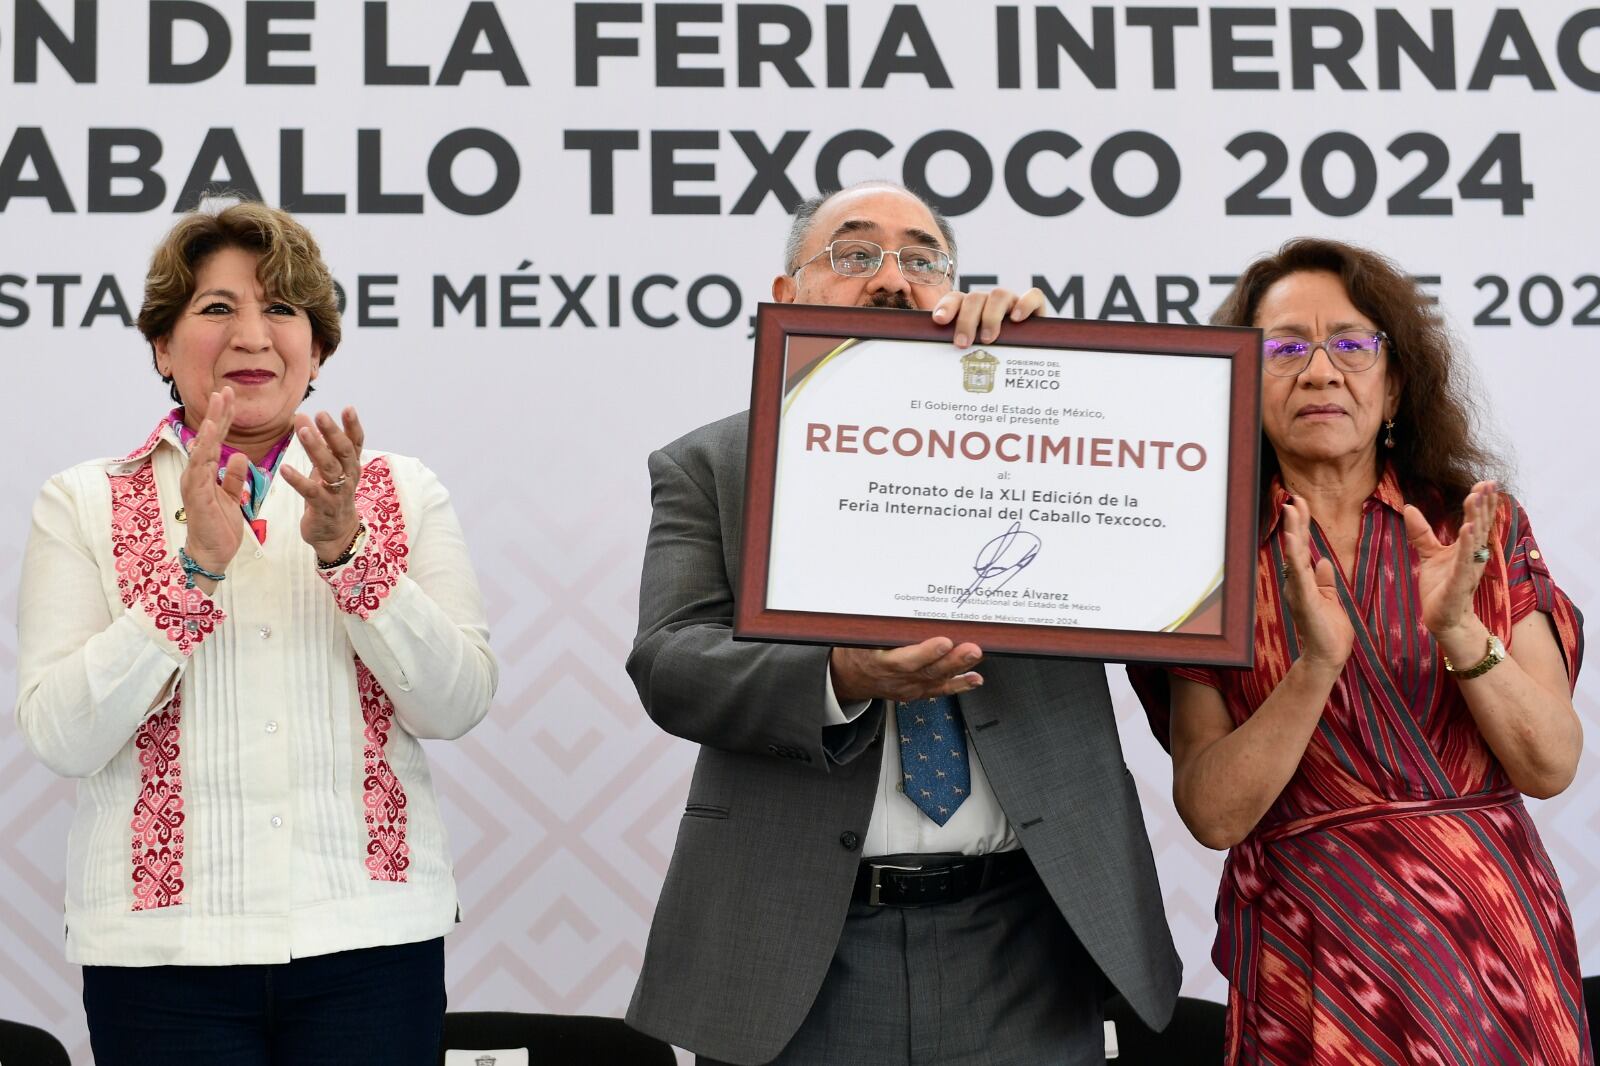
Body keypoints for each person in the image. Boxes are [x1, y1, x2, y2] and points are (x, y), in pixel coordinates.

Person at [624, 180, 1181, 1066]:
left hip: (1028, 939)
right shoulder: (711, 465)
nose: (893, 279)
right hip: (799, 945)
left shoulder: (1046, 436)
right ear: (785, 296)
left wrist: (1057, 377)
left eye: (923, 259)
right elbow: (670, 662)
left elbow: (1166, 552)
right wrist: (839, 676)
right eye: (854, 255)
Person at [15, 200, 497, 1065]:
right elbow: (62, 735)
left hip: (370, 941)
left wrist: (351, 554)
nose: (252, 335)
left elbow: (456, 703)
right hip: (161, 959)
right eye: (216, 308)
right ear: (162, 346)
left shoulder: (399, 489)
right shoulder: (84, 498)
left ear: (317, 349)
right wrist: (193, 569)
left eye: (281, 309)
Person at [1129, 238, 1589, 1064]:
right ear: (1241, 381)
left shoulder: (1476, 523)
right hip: (1314, 952)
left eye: (1350, 344)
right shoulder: (1208, 558)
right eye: (1284, 349)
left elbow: (1550, 764)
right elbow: (1212, 812)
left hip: (1492, 943)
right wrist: (1313, 669)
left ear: (1397, 384)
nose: (1318, 371)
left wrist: (1459, 632)